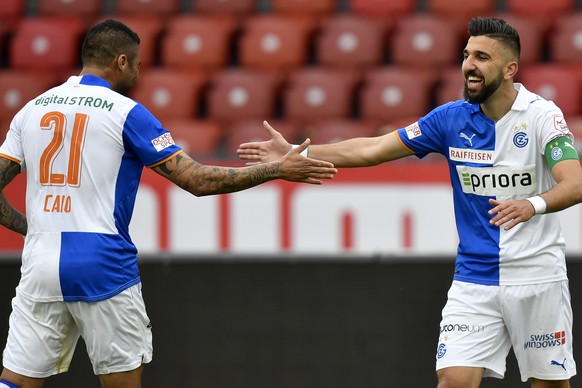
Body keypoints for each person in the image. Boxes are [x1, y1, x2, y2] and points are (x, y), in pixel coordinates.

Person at [238, 17, 582, 388]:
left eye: (482, 57)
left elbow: (575, 183)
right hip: (474, 279)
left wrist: (533, 205)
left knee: (548, 386)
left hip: (537, 275)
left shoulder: (542, 117)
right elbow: (373, 148)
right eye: (467, 55)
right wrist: (293, 151)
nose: (469, 65)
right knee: (452, 382)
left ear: (510, 68)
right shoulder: (450, 119)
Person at [0, 19, 337, 388]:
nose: (141, 71)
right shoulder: (126, 112)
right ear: (122, 62)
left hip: (39, 262)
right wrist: (276, 169)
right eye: (139, 63)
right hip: (103, 266)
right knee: (122, 382)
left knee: (17, 381)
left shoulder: (31, 109)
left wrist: (29, 227)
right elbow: (195, 180)